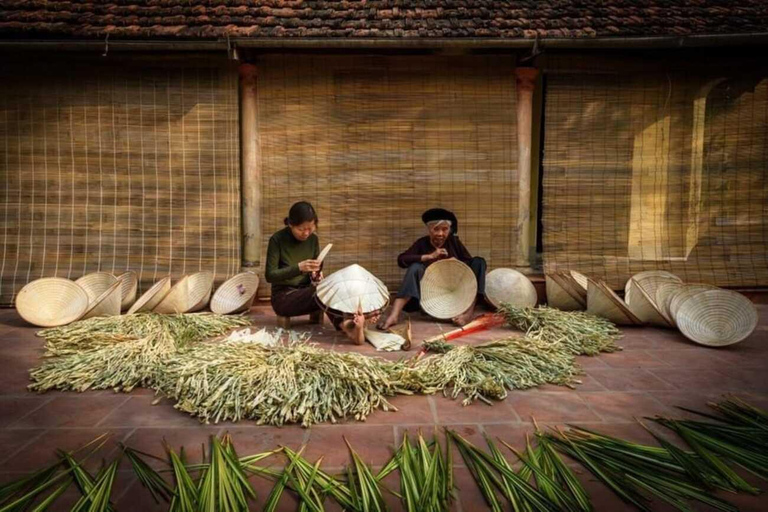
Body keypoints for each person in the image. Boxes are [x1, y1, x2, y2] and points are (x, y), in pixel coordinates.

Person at [266, 201, 368, 344]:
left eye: (310, 228)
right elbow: (270, 275)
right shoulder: (277, 240)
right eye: (301, 229)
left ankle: (350, 324)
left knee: (332, 284)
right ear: (290, 224)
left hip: (308, 292)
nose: (306, 233)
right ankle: (346, 326)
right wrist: (299, 268)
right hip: (284, 297)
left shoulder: (313, 239)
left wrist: (316, 274)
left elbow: (316, 267)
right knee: (321, 292)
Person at [377, 208, 486, 329]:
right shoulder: (422, 243)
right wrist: (429, 256)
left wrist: (457, 262)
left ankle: (467, 314)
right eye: (436, 229)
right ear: (429, 230)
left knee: (479, 262)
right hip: (429, 295)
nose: (440, 233)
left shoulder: (454, 242)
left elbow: (469, 267)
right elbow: (402, 260)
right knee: (415, 267)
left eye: (445, 229)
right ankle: (394, 315)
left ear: (449, 230)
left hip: (455, 290)